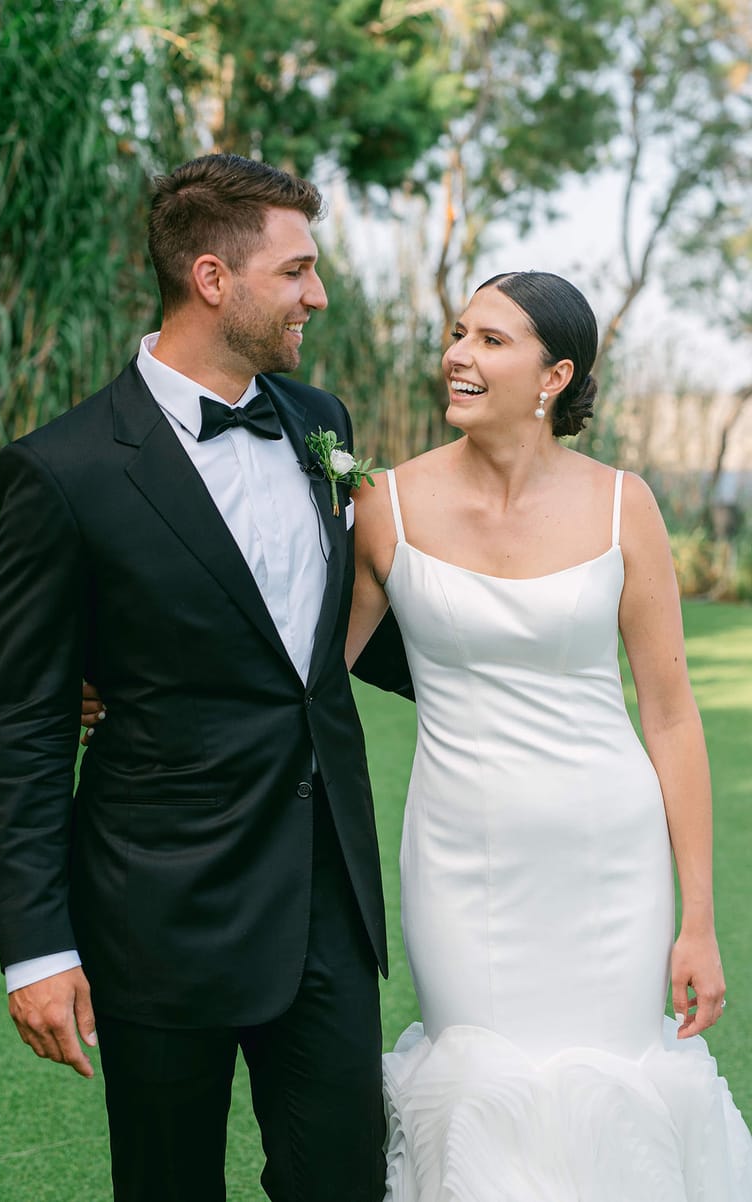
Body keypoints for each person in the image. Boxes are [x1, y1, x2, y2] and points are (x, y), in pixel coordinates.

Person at [0, 153, 396, 1202]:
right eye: (297, 271)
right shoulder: (63, 468)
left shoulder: (321, 422)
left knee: (343, 1175)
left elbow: (323, 635)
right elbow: (27, 724)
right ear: (213, 278)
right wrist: (36, 951)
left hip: (322, 895)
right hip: (159, 907)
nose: (319, 294)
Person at [347, 271, 752, 1198]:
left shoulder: (624, 505)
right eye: (457, 333)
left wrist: (699, 922)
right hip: (461, 863)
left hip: (611, 863)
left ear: (554, 376)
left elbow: (671, 713)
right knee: (482, 1086)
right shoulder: (384, 504)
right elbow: (302, 677)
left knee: (616, 1093)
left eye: (492, 340)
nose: (458, 354)